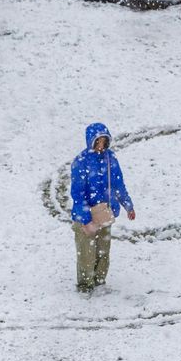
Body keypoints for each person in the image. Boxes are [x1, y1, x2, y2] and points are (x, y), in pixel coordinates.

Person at [69, 122, 135, 293]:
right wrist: (86, 220)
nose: (100, 145)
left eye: (104, 141)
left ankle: (99, 282)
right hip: (86, 216)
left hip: (104, 213)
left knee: (103, 252)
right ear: (90, 141)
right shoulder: (81, 162)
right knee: (86, 254)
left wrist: (128, 205)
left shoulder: (110, 158)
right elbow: (77, 194)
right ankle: (85, 286)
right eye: (97, 141)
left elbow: (118, 185)